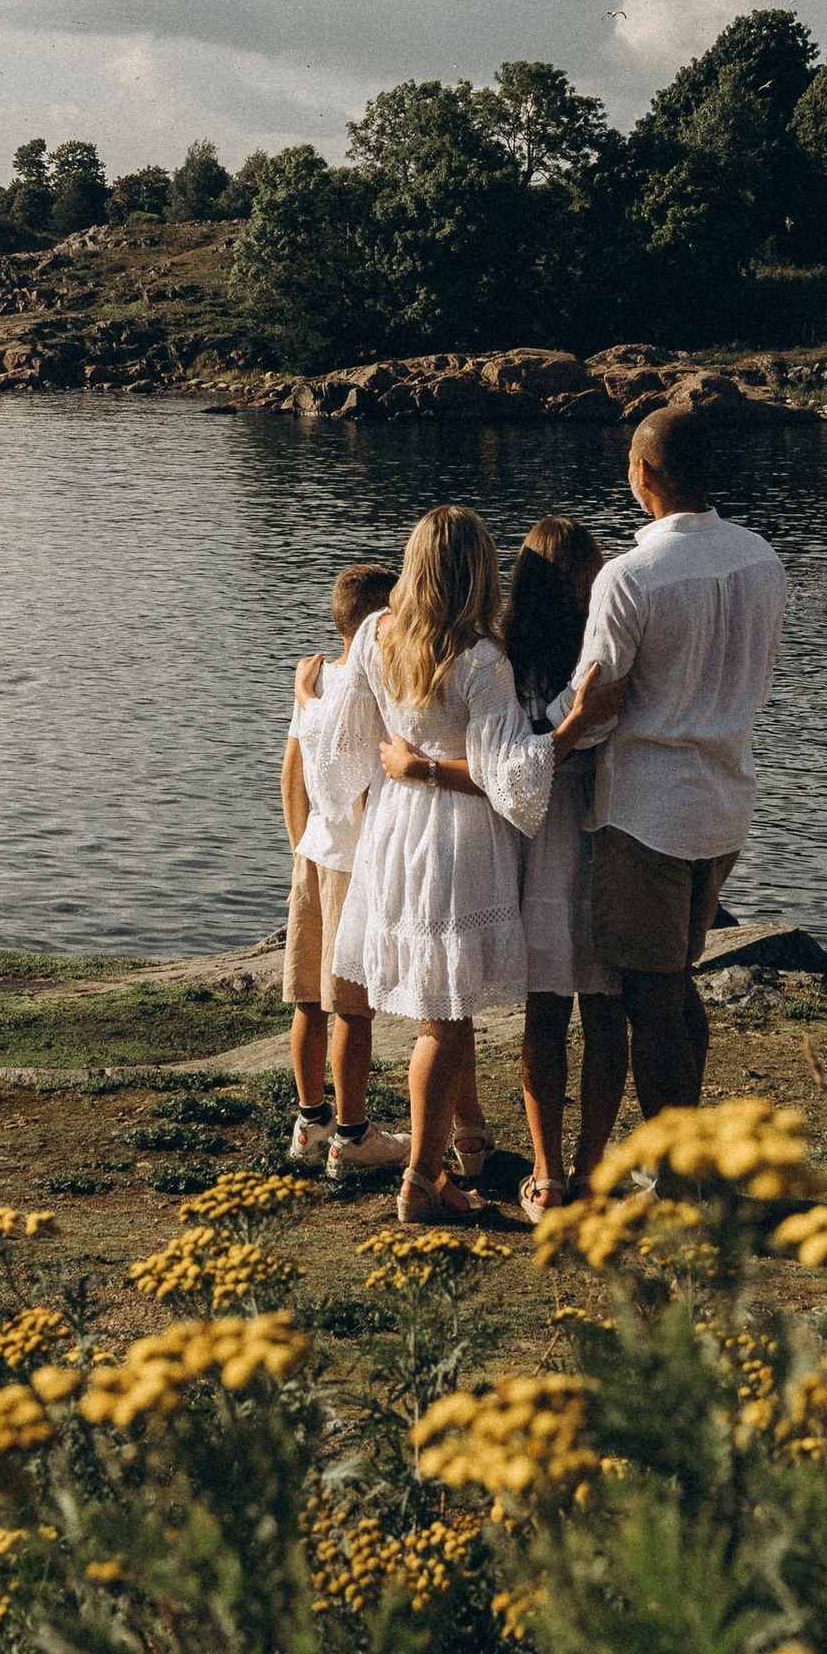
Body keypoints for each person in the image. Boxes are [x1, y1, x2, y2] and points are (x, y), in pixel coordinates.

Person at [309, 503, 589, 1231]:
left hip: (394, 830)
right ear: (479, 571)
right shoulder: (482, 661)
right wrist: (573, 722)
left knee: (446, 1011)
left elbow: (348, 742)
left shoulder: (375, 635)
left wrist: (406, 763)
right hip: (456, 840)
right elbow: (511, 776)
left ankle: (436, 1171)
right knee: (444, 1017)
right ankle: (420, 1181)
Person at [568, 401, 788, 1119]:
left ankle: (672, 1165)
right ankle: (689, 1147)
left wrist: (541, 739)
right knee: (675, 980)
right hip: (725, 800)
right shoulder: (762, 559)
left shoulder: (629, 576)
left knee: (651, 999)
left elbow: (597, 703)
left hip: (647, 814)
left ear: (642, 473)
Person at [500, 517, 628, 1218]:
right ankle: (590, 1167)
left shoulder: (507, 656)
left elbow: (516, 749)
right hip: (603, 831)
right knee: (605, 1013)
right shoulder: (607, 651)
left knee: (545, 1014)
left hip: (540, 845)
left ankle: (548, 1174)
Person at [282, 562, 408, 1186]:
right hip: (352, 864)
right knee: (351, 1007)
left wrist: (298, 845)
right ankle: (353, 1135)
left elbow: (293, 772)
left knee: (309, 998)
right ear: (377, 623)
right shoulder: (372, 686)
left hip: (311, 853)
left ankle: (311, 1121)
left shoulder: (317, 681)